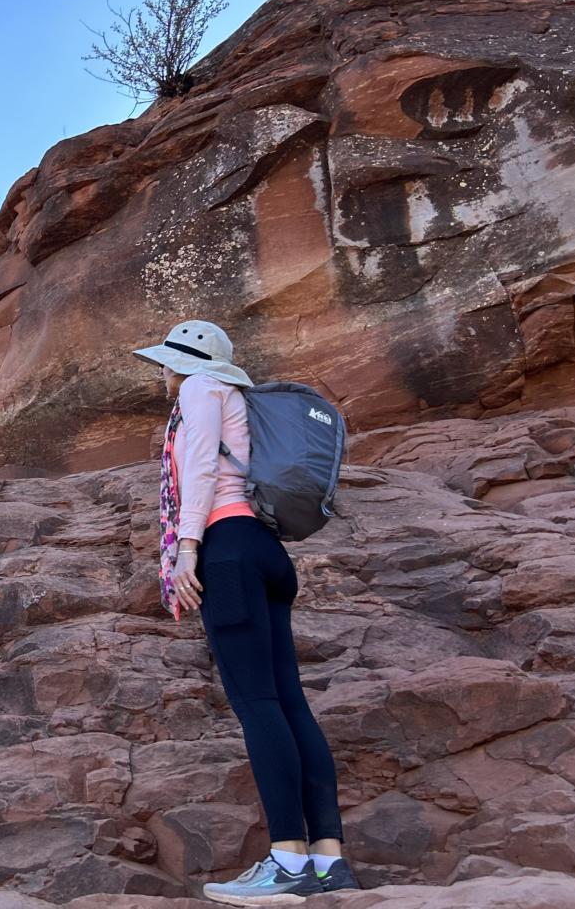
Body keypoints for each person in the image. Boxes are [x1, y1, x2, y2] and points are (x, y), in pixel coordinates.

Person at [133, 321, 359, 903]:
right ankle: (328, 863)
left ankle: (286, 862)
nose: (161, 372)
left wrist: (188, 551)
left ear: (183, 363)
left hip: (227, 549)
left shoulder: (198, 391)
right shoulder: (237, 395)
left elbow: (202, 469)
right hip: (266, 550)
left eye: (165, 362)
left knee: (257, 704)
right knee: (288, 702)